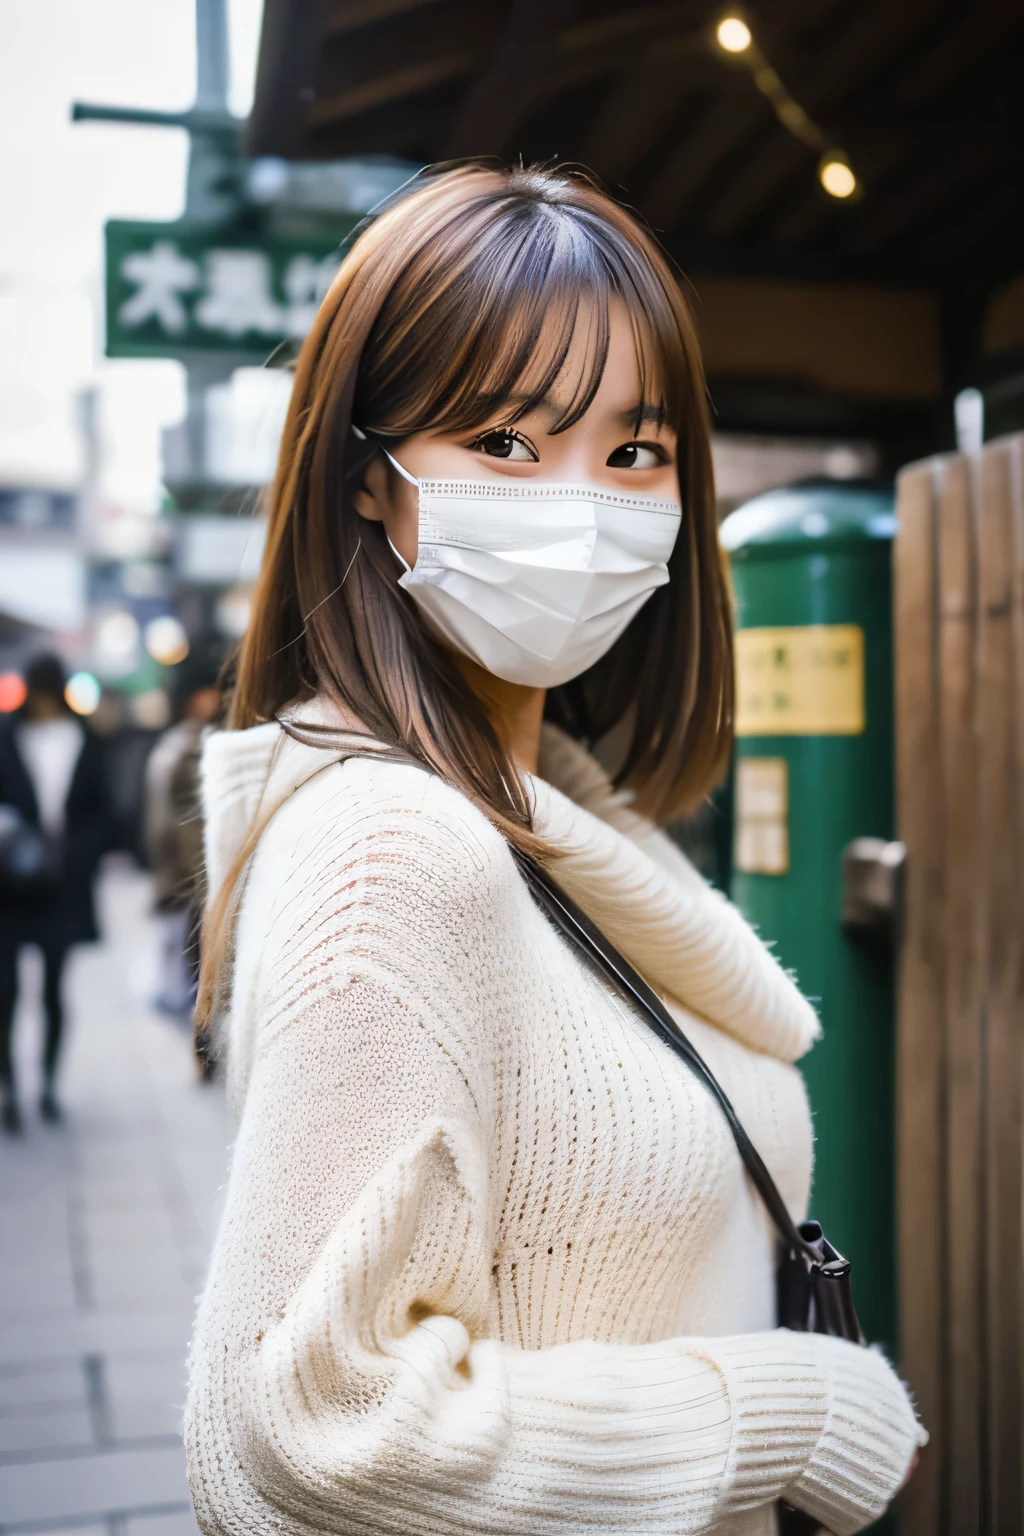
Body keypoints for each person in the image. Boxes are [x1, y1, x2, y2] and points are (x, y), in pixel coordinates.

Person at [186, 164, 924, 1536]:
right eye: (510, 445)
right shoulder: (393, 849)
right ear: (367, 479)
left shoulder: (550, 809)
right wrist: (795, 1410)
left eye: (634, 453)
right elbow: (303, 1424)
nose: (583, 507)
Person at [0, 653, 113, 1130]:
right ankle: (9, 1088)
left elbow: (103, 811)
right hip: (8, 882)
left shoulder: (87, 739)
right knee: (5, 991)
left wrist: (76, 855)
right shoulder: (6, 736)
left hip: (64, 883)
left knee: (53, 989)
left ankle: (46, 1084)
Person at [143, 676, 220, 1018]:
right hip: (190, 874)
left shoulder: (173, 745)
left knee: (187, 960)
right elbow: (177, 822)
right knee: (193, 964)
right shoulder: (190, 748)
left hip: (182, 870)